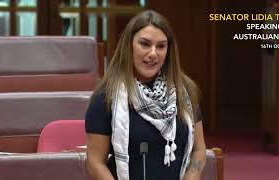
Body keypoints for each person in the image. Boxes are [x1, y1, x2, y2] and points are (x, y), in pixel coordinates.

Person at [85, 10, 206, 180]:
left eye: (161, 46)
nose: (153, 53)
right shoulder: (106, 96)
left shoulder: (184, 91)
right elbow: (95, 162)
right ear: (129, 46)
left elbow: (199, 150)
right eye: (145, 44)